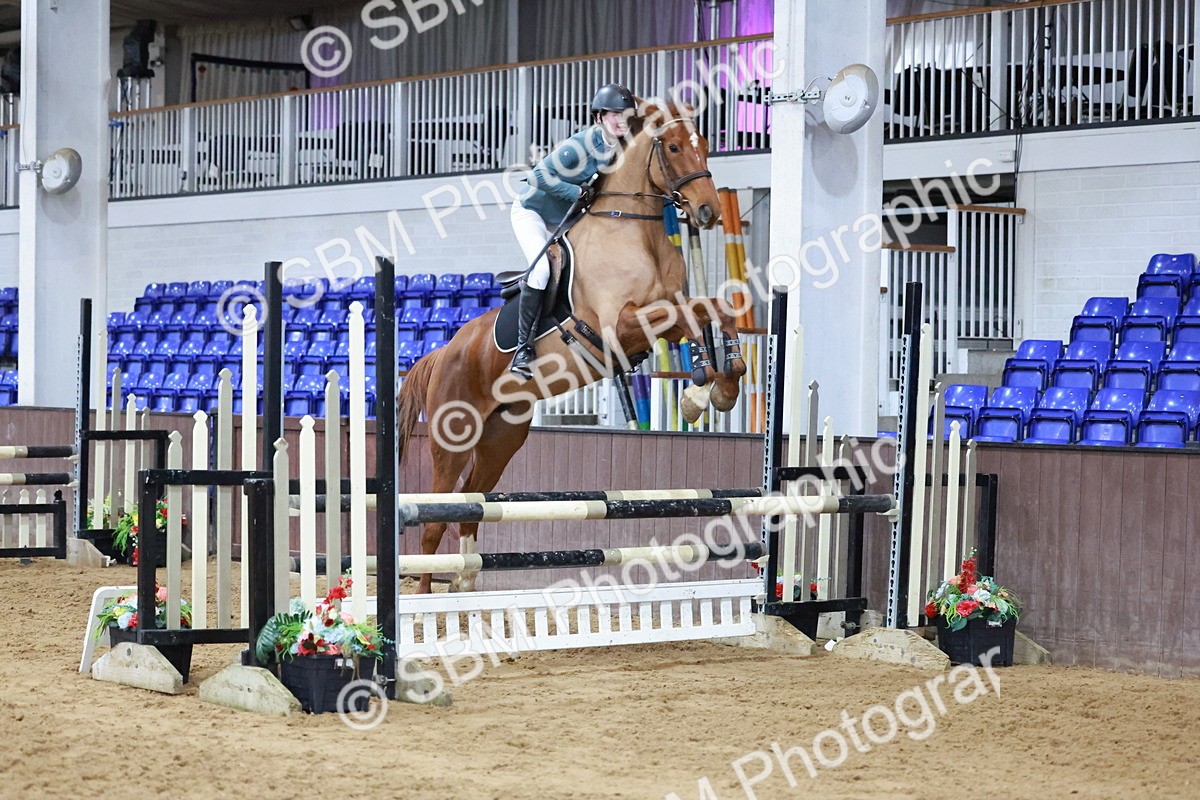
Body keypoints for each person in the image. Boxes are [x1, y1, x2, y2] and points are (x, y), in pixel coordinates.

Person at [507, 82, 637, 378]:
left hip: (569, 218)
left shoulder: (623, 146)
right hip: (534, 213)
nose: (620, 120)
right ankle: (522, 350)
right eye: (613, 114)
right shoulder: (581, 144)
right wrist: (573, 191)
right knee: (540, 271)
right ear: (599, 117)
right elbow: (538, 175)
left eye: (625, 114)